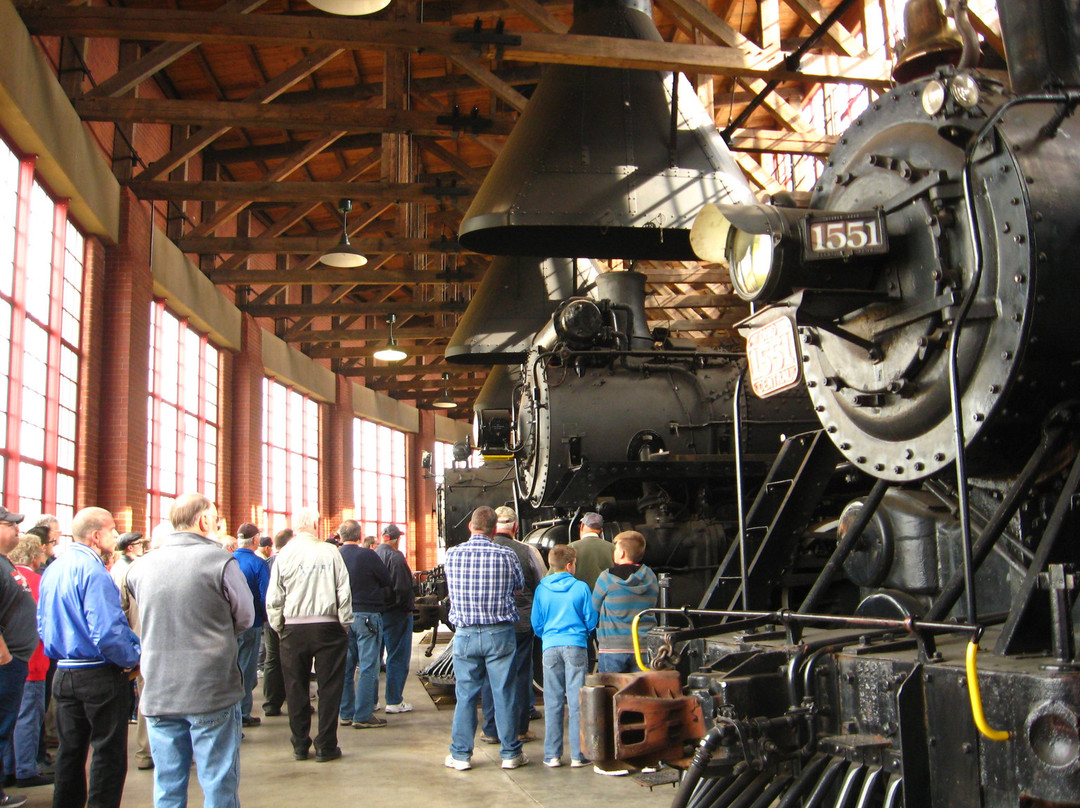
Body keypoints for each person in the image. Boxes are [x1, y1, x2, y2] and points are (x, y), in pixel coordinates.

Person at [126, 494, 254, 808]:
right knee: (218, 784)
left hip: (159, 690)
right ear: (204, 521)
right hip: (210, 688)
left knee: (168, 786)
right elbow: (246, 617)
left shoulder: (140, 567)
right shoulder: (219, 560)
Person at [37, 506, 141, 808]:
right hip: (98, 675)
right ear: (96, 536)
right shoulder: (94, 571)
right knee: (108, 755)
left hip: (63, 673)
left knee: (70, 752)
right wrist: (130, 658)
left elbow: (43, 624)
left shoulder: (54, 568)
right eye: (112, 530)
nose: (115, 535)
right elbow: (107, 631)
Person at [443, 506, 527, 771]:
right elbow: (519, 586)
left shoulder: (452, 555)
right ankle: (511, 753)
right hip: (499, 633)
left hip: (465, 634)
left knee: (466, 694)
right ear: (494, 530)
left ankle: (460, 756)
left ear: (470, 526)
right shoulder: (507, 554)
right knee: (504, 693)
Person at [266, 508, 351, 763]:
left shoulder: (284, 554)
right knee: (330, 687)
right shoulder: (330, 551)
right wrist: (344, 623)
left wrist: (279, 626)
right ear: (315, 524)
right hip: (328, 626)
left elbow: (274, 596)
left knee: (295, 687)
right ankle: (326, 745)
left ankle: (300, 745)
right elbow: (343, 591)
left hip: (294, 627)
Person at [480, 506, 545, 745]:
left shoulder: (480, 550)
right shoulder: (527, 551)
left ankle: (490, 729)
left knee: (490, 673)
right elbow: (542, 584)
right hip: (520, 623)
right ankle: (519, 729)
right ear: (516, 527)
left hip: (489, 622)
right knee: (519, 674)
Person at [531, 544, 597, 768]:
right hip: (576, 646)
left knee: (553, 701)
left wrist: (547, 636)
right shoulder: (581, 588)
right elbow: (590, 619)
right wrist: (582, 633)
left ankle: (552, 755)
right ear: (570, 565)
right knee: (577, 700)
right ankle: (578, 755)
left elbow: (536, 623)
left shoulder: (542, 589)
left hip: (550, 647)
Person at [3, 535, 52, 789]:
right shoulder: (34, 581)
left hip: (16, 659)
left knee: (13, 719)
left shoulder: (14, 577)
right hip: (31, 662)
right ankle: (25, 769)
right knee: (28, 719)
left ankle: (10, 769)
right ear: (35, 555)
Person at [337, 519, 393, 729]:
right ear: (359, 536)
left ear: (340, 536)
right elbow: (386, 580)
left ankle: (345, 712)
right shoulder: (368, 555)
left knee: (346, 665)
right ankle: (363, 714)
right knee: (369, 665)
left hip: (342, 617)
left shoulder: (335, 556)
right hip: (367, 615)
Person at [0, 506, 37, 808]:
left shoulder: (5, 562)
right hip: (5, 662)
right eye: (10, 525)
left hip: (14, 660)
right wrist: (4, 654)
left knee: (5, 726)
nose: (17, 530)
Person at [591, 530, 659, 674]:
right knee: (642, 695)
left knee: (612, 692)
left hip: (612, 648)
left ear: (621, 553)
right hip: (644, 647)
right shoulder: (650, 576)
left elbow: (594, 608)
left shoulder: (606, 578)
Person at [374, 524, 414, 714]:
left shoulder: (372, 554)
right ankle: (394, 701)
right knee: (397, 656)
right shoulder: (396, 557)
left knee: (373, 659)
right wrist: (407, 609)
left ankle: (371, 701)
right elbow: (403, 588)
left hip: (375, 613)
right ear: (397, 539)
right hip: (395, 614)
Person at [232, 523, 269, 728]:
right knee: (246, 670)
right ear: (255, 540)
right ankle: (243, 713)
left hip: (229, 626)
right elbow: (265, 595)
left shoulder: (228, 561)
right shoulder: (258, 564)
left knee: (231, 669)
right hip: (251, 623)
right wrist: (265, 618)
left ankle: (233, 711)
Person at [261, 528, 292, 718]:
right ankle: (296, 701)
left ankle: (271, 703)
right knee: (294, 660)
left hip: (270, 618)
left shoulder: (266, 563)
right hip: (289, 619)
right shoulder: (290, 562)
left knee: (272, 660)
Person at [568, 512, 613, 591]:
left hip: (580, 600)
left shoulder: (570, 548)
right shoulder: (613, 548)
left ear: (581, 526)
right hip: (606, 599)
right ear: (601, 531)